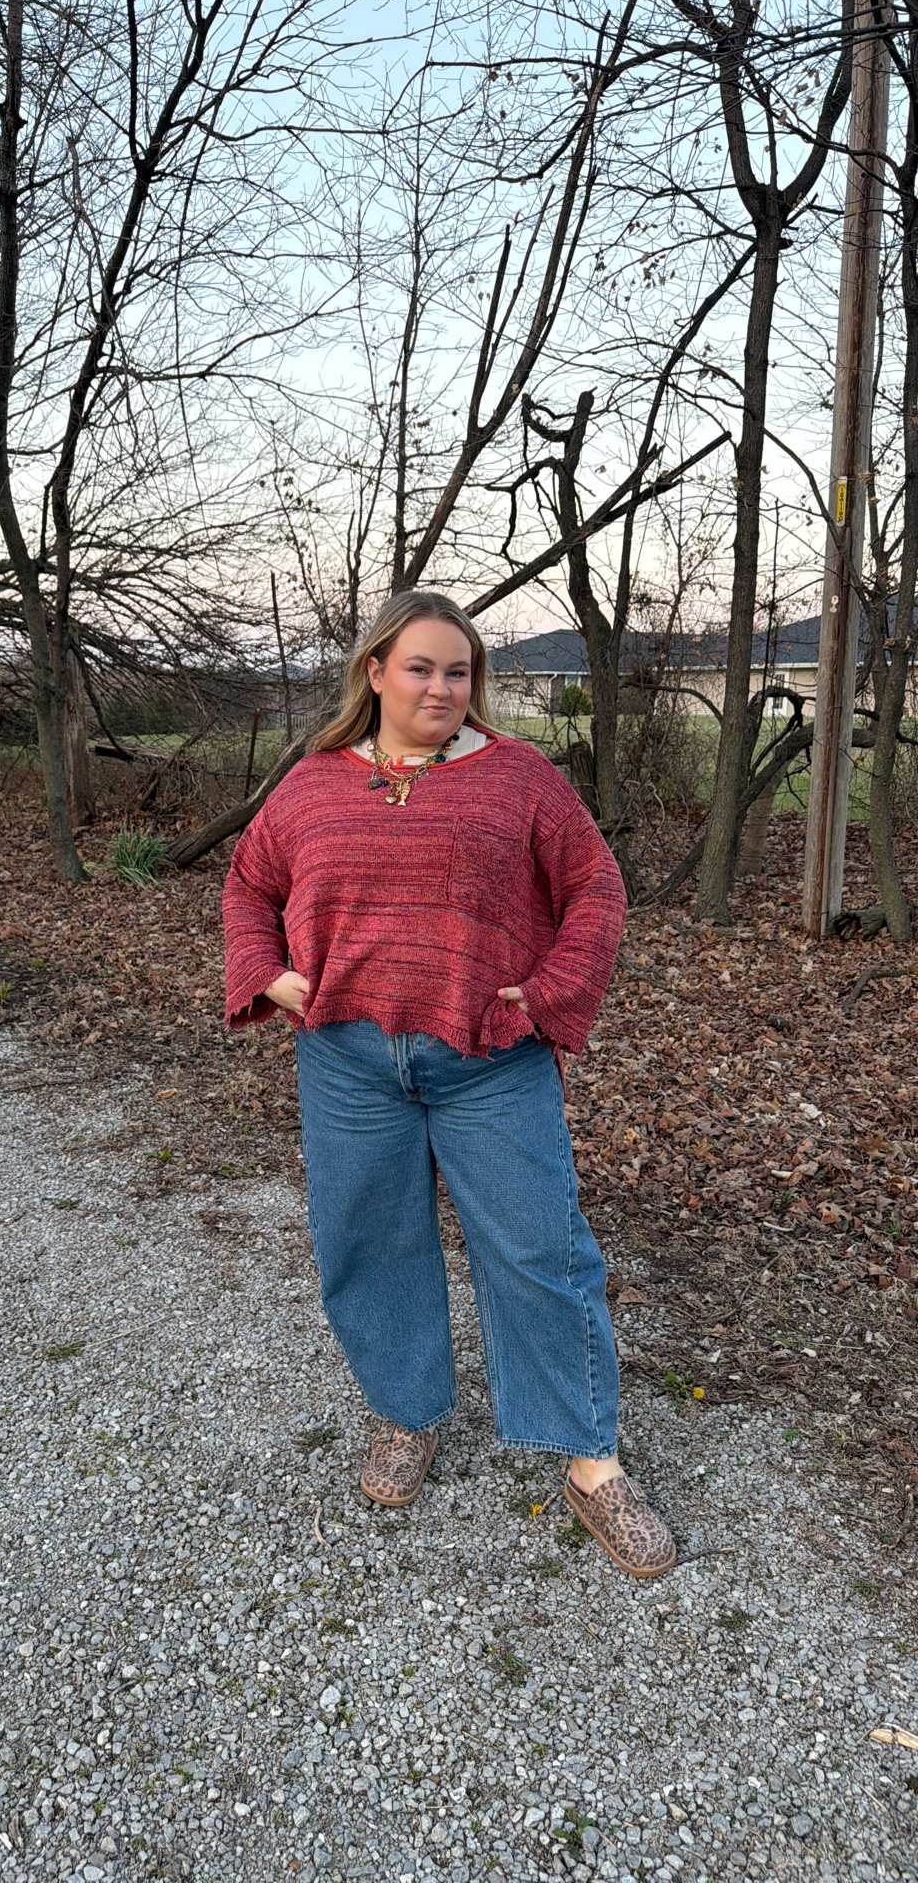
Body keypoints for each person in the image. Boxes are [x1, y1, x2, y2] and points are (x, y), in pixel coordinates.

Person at [222, 589, 675, 1577]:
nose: (440, 686)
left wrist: (549, 992)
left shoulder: (518, 779)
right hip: (348, 1060)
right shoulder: (311, 785)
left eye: (457, 670)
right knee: (367, 1241)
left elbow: (596, 886)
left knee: (541, 1249)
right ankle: (407, 1413)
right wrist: (267, 972)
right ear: (376, 673)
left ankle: (592, 1463)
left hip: (489, 1060)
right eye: (420, 667)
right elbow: (250, 883)